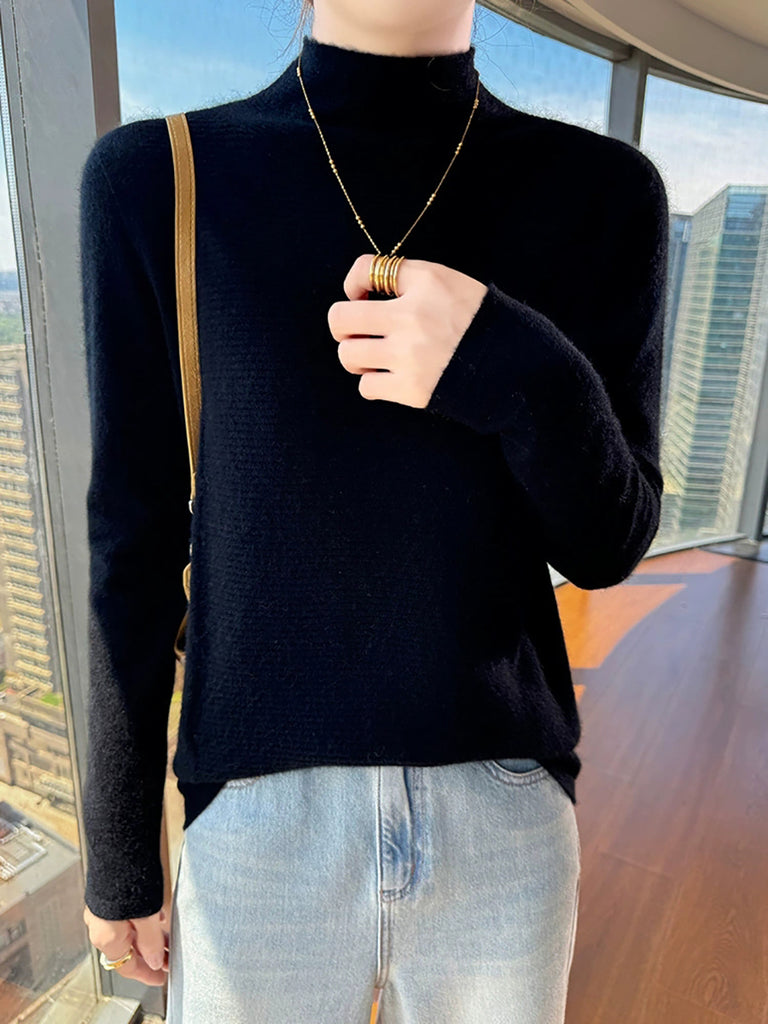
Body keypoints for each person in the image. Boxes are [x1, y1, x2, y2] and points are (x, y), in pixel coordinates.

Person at [79, 0, 669, 1020]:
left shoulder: (604, 193)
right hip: (255, 831)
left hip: (502, 821)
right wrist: (121, 849)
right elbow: (133, 540)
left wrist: (508, 362)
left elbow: (608, 543)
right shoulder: (157, 178)